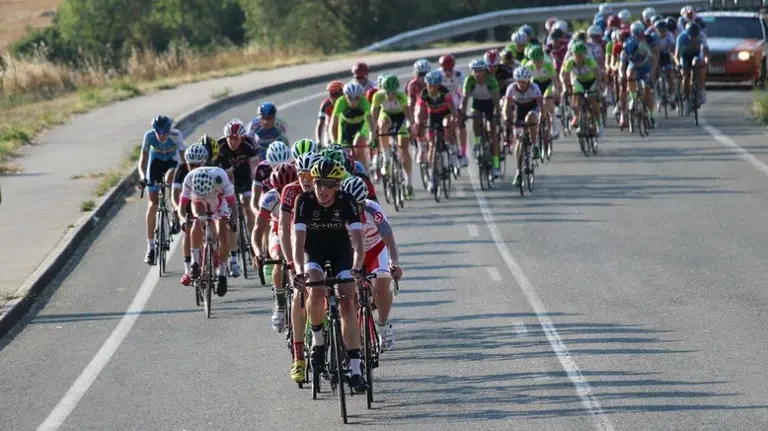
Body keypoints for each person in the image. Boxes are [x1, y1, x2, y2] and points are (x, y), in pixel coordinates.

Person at [291, 158, 369, 393]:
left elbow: (357, 240)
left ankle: (355, 370)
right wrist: (298, 272)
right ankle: (318, 343)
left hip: (341, 253)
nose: (322, 190)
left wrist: (356, 268)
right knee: (314, 290)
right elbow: (298, 242)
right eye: (318, 184)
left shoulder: (347, 201)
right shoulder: (303, 201)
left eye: (328, 184)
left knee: (347, 299)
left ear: (337, 186)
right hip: (313, 252)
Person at [340, 176, 402, 350]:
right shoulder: (339, 212)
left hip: (376, 250)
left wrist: (393, 264)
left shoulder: (373, 210)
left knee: (383, 283)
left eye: (358, 206)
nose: (354, 211)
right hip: (352, 254)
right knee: (348, 294)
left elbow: (390, 243)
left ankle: (383, 324)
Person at [178, 165, 235, 297]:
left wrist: (233, 220)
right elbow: (181, 208)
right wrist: (183, 220)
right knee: (197, 221)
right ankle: (195, 262)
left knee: (223, 232)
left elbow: (232, 204)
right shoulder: (189, 178)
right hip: (197, 200)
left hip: (219, 200)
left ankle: (222, 274)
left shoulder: (221, 177)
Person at [254, 163, 298, 332]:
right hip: (278, 232)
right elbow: (258, 229)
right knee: (279, 258)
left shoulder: (302, 194)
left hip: (298, 232)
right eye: (278, 189)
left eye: (286, 188)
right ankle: (280, 306)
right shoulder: (270, 198)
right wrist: (258, 252)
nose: (282, 193)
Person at [172, 136, 219, 286]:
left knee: (213, 224)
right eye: (191, 165)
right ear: (187, 163)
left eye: (198, 165)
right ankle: (189, 269)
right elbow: (175, 195)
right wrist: (179, 212)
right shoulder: (181, 171)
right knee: (188, 230)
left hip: (205, 199)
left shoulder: (210, 171)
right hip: (186, 202)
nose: (195, 168)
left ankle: (212, 251)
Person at [138, 115, 185, 265]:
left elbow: (183, 160)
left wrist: (186, 178)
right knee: (152, 205)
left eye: (165, 131)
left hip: (172, 163)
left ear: (169, 130)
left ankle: (174, 215)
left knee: (170, 180)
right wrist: (142, 177)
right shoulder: (149, 136)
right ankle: (150, 247)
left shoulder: (176, 135)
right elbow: (143, 161)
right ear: (154, 130)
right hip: (155, 164)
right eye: (158, 131)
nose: (162, 135)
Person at [217, 118, 260, 278]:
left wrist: (257, 185)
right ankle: (233, 257)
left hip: (244, 177)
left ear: (242, 138)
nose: (233, 141)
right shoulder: (220, 146)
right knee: (231, 215)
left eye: (236, 138)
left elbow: (256, 167)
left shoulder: (249, 144)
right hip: (227, 180)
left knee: (248, 204)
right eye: (230, 138)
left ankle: (251, 236)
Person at [504, 67, 543, 187]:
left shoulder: (534, 88)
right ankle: (518, 172)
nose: (521, 84)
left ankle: (535, 145)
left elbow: (541, 106)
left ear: (528, 81)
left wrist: (541, 117)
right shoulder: (511, 88)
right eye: (519, 81)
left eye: (523, 82)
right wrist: (507, 119)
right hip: (519, 109)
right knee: (518, 142)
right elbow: (506, 107)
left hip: (532, 107)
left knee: (530, 118)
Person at [316, 81, 344, 145]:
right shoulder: (325, 104)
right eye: (331, 94)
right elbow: (320, 123)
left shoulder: (347, 102)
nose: (333, 98)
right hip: (330, 131)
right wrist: (319, 140)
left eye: (336, 95)